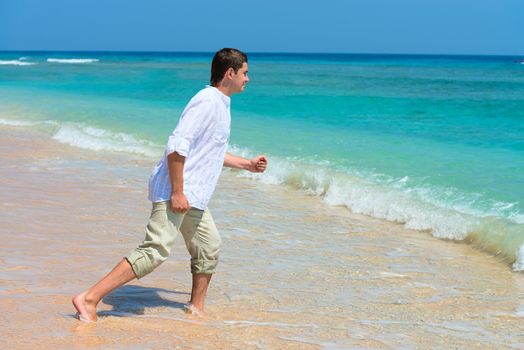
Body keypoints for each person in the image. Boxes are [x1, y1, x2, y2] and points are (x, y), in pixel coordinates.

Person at [72, 48, 267, 322]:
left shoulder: (222, 104)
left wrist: (247, 164)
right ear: (230, 73)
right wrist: (177, 191)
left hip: (195, 195)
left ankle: (196, 309)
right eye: (245, 73)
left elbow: (208, 152)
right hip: (178, 191)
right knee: (155, 250)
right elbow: (177, 146)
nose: (248, 79)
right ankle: (89, 298)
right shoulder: (207, 100)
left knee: (208, 246)